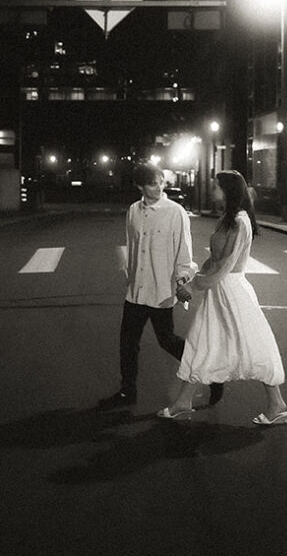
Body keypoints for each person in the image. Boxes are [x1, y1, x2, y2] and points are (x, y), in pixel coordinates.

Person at [157, 169, 287, 426]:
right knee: (202, 342)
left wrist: (194, 287)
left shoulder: (241, 222)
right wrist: (193, 276)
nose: (212, 189)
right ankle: (183, 401)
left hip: (232, 292)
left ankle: (277, 403)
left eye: (216, 186)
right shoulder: (226, 220)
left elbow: (226, 266)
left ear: (228, 190)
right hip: (218, 292)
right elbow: (213, 260)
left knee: (252, 345)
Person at [99, 162, 197, 408]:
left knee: (167, 340)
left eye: (161, 181)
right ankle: (127, 391)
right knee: (128, 343)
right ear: (139, 186)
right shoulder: (133, 210)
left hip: (161, 291)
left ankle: (205, 368)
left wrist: (182, 280)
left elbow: (183, 252)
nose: (159, 186)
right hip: (135, 292)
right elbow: (131, 246)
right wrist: (129, 274)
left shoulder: (175, 212)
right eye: (153, 183)